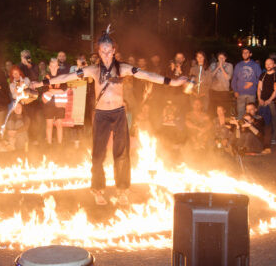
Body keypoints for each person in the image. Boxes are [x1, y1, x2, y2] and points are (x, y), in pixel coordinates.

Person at [31, 27, 187, 206]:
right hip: (101, 115)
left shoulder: (122, 68)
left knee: (121, 154)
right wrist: (41, 82)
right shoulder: (92, 70)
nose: (105, 54)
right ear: (99, 51)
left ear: (114, 50)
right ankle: (97, 189)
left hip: (119, 113)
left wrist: (172, 82)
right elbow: (66, 76)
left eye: (108, 50)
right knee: (98, 155)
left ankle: (122, 190)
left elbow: (147, 75)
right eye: (102, 51)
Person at [42, 58, 68, 145]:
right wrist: (56, 91)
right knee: (49, 125)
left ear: (58, 67)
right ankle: (49, 145)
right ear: (49, 67)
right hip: (49, 104)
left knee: (59, 125)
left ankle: (60, 145)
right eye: (52, 66)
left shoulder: (62, 77)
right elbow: (45, 91)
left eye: (55, 66)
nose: (53, 68)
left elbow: (64, 90)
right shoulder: (46, 78)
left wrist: (52, 91)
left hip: (60, 104)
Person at [231, 47, 262, 119]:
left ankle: (251, 129)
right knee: (240, 113)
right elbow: (234, 78)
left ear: (250, 54)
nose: (244, 54)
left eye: (246, 52)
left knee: (251, 114)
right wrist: (235, 90)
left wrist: (252, 83)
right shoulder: (238, 65)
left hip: (251, 93)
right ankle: (241, 129)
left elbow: (261, 78)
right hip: (240, 93)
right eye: (243, 53)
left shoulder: (255, 65)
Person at [257, 58, 276, 148]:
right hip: (262, 100)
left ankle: (273, 138)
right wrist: (259, 99)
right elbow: (259, 88)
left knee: (273, 120)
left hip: (271, 101)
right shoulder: (263, 75)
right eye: (266, 64)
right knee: (260, 119)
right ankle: (260, 136)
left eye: (270, 64)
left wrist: (269, 100)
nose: (268, 65)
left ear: (274, 65)